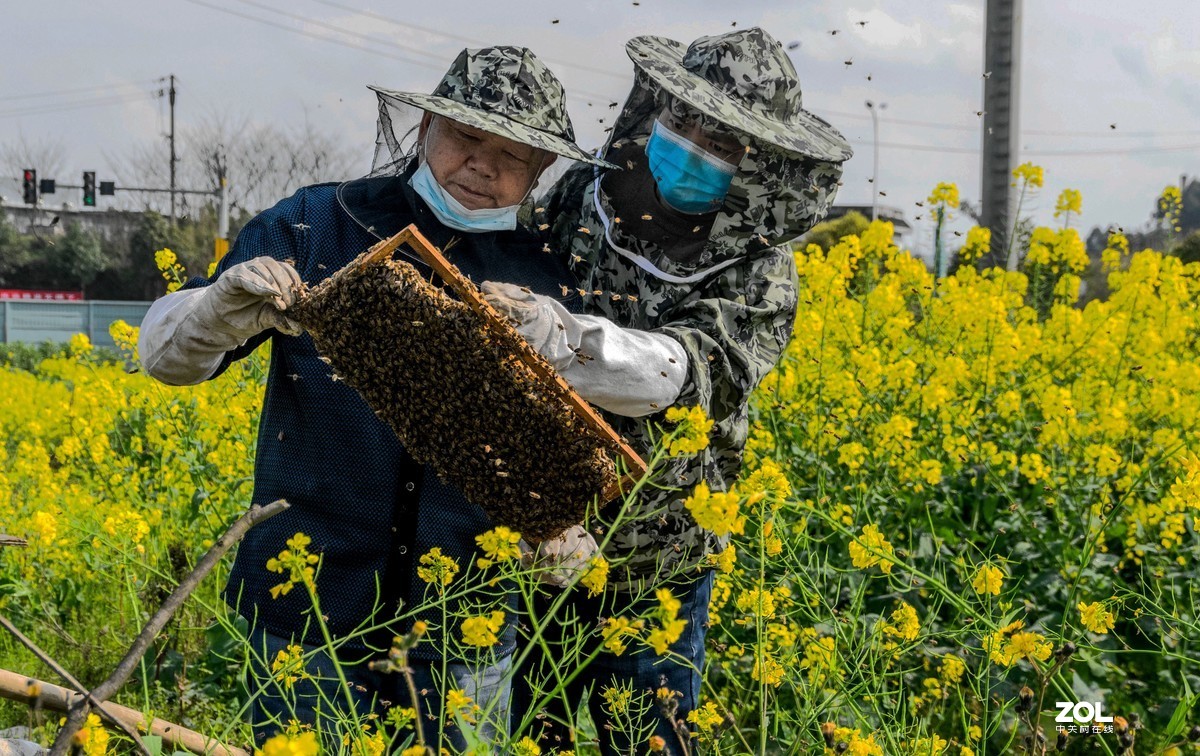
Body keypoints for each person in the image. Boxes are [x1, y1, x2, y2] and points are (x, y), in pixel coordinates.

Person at [136, 46, 613, 750]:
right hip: (308, 607)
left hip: (464, 627)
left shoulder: (545, 277)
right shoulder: (313, 224)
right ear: (424, 129)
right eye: (467, 138)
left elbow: (565, 430)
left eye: (513, 155)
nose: (483, 166)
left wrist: (560, 518)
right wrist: (211, 312)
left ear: (542, 170)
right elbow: (173, 359)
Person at [488, 28, 853, 753]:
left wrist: (562, 339)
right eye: (681, 120)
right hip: (548, 526)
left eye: (721, 140)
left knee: (649, 737)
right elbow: (521, 269)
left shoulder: (762, 272)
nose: (689, 144)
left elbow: (694, 373)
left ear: (760, 162)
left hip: (663, 553)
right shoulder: (588, 194)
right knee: (537, 732)